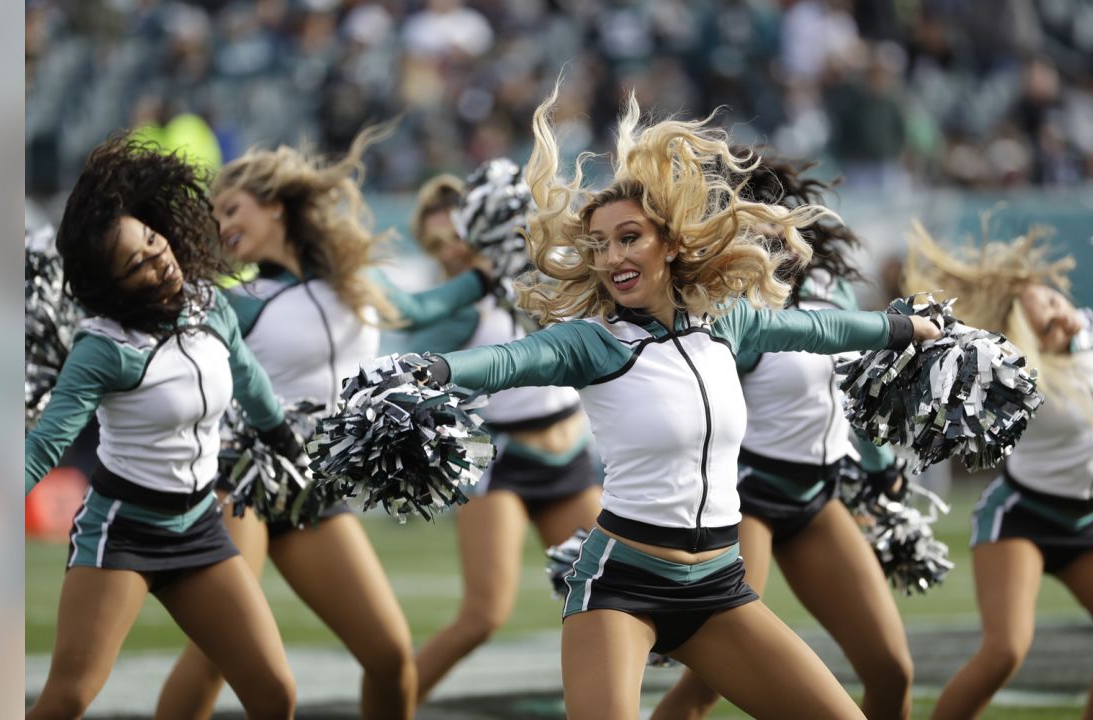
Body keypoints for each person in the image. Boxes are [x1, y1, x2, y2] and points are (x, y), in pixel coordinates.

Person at [413, 84, 940, 719]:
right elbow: (506, 363)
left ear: (669, 242)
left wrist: (904, 328)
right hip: (622, 587)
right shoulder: (596, 343)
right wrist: (431, 370)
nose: (613, 256)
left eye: (629, 237)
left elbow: (820, 330)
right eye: (601, 245)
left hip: (717, 588)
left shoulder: (728, 324)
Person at [155, 127, 492, 720]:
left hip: (313, 489)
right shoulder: (241, 300)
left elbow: (420, 309)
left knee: (390, 656)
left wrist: (490, 276)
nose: (222, 224)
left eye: (231, 208)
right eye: (215, 216)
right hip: (240, 484)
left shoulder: (352, 280)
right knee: (219, 653)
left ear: (276, 204)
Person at [24, 136, 299, 719]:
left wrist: (279, 433)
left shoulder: (208, 305)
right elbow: (46, 443)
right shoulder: (105, 348)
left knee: (275, 692)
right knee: (69, 697)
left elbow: (246, 376)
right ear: (110, 287)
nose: (160, 259)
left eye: (153, 241)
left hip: (199, 526)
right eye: (137, 264)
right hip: (122, 533)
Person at [651, 158, 914, 720]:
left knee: (892, 671)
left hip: (819, 498)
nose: (770, 228)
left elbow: (854, 378)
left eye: (776, 215)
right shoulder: (732, 305)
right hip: (751, 502)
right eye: (753, 219)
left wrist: (878, 463)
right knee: (707, 686)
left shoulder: (831, 284)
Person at [405, 164, 604, 700]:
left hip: (572, 457)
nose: (448, 250)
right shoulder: (458, 302)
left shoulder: (545, 274)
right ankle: (384, 705)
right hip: (504, 463)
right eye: (434, 243)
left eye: (454, 236)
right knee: (483, 616)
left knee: (610, 600)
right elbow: (419, 357)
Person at [911, 224, 1093, 720]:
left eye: (1057, 305)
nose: (1062, 319)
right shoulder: (1011, 374)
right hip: (1023, 517)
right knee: (1006, 650)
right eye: (1046, 325)